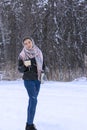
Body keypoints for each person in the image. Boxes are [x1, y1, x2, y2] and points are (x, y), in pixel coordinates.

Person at [18, 37, 45, 130]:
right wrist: (25, 66)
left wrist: (43, 72)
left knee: (33, 101)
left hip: (37, 80)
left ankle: (29, 123)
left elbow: (43, 65)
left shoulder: (38, 52)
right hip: (28, 80)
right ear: (24, 45)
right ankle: (29, 125)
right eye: (25, 43)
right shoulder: (22, 55)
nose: (28, 44)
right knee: (33, 100)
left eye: (29, 42)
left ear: (32, 42)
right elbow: (19, 69)